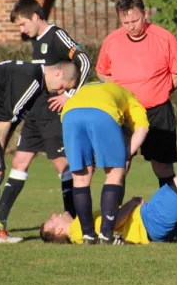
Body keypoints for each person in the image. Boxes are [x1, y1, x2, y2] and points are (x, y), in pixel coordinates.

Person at [0, 60, 79, 243]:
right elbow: (5, 121)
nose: (60, 92)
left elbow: (12, 118)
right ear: (58, 74)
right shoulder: (32, 80)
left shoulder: (35, 78)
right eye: (63, 87)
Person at [0, 0, 91, 233]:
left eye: (23, 24)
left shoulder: (56, 35)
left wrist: (70, 95)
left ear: (36, 17)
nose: (21, 30)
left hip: (53, 115)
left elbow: (84, 60)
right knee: (19, 162)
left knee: (62, 166)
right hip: (34, 115)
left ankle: (73, 222)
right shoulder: (37, 42)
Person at [95, 0, 177, 190]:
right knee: (119, 165)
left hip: (157, 112)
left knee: (162, 166)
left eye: (135, 20)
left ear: (145, 14)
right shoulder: (112, 41)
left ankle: (171, 215)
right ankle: (112, 217)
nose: (131, 26)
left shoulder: (164, 38)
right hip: (124, 113)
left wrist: (162, 90)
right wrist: (119, 94)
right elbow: (102, 72)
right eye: (125, 22)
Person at [40, 169, 177, 245]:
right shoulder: (78, 231)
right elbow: (113, 223)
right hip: (148, 222)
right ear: (58, 231)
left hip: (149, 223)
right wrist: (133, 202)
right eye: (50, 221)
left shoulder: (81, 225)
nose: (53, 214)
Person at [59, 81, 149, 244]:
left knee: (80, 178)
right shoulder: (132, 99)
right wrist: (125, 155)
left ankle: (88, 235)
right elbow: (142, 128)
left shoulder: (92, 86)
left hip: (69, 113)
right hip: (103, 112)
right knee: (115, 173)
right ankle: (106, 235)